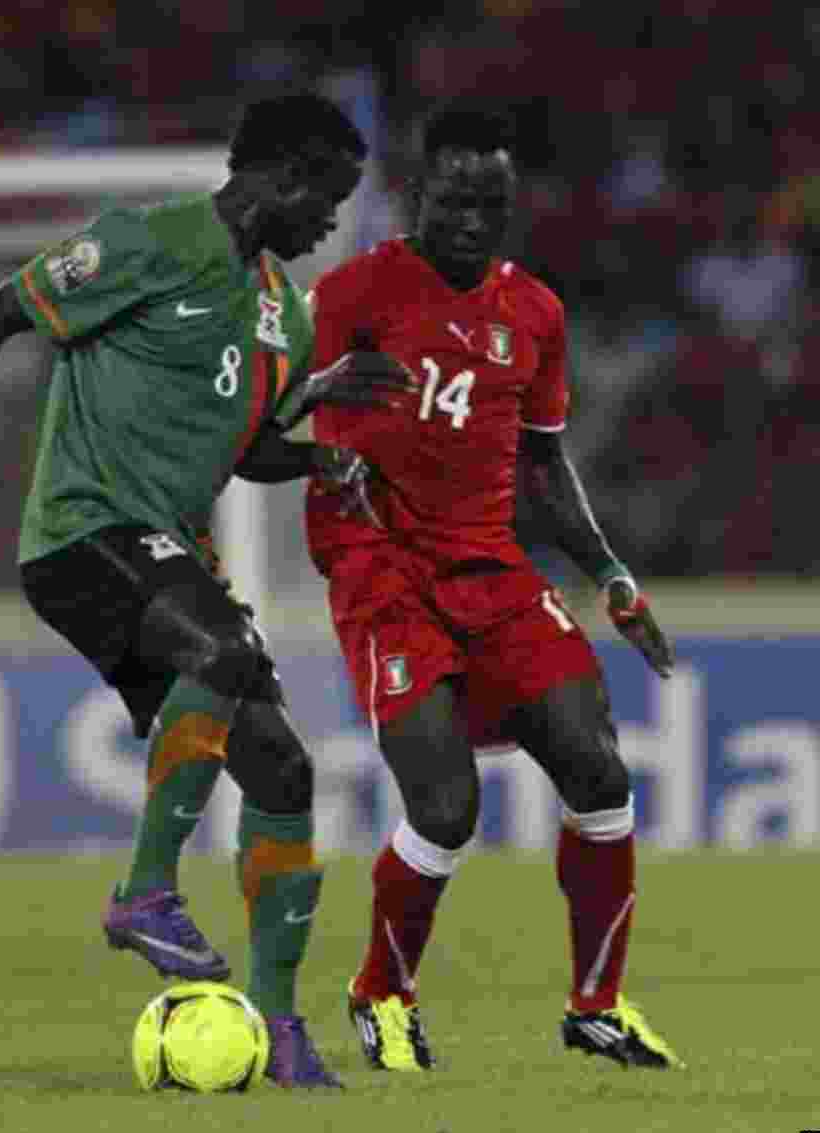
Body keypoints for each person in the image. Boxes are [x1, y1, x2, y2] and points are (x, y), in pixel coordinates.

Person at [0, 92, 413, 1089]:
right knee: (224, 648)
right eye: (329, 199)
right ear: (279, 180)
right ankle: (143, 892)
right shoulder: (148, 241)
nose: (331, 224)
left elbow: (244, 445)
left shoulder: (285, 316)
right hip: (82, 532)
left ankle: (281, 1027)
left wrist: (321, 455)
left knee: (283, 773)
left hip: (164, 555)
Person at [304, 100, 685, 1072]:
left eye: (490, 202)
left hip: (493, 570)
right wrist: (318, 437)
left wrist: (610, 576)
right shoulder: (357, 291)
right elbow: (270, 414)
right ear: (417, 191)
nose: (472, 219)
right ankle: (380, 994)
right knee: (444, 806)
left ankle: (595, 1005)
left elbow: (545, 467)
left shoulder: (535, 313)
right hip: (381, 569)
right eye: (454, 199)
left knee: (598, 772)